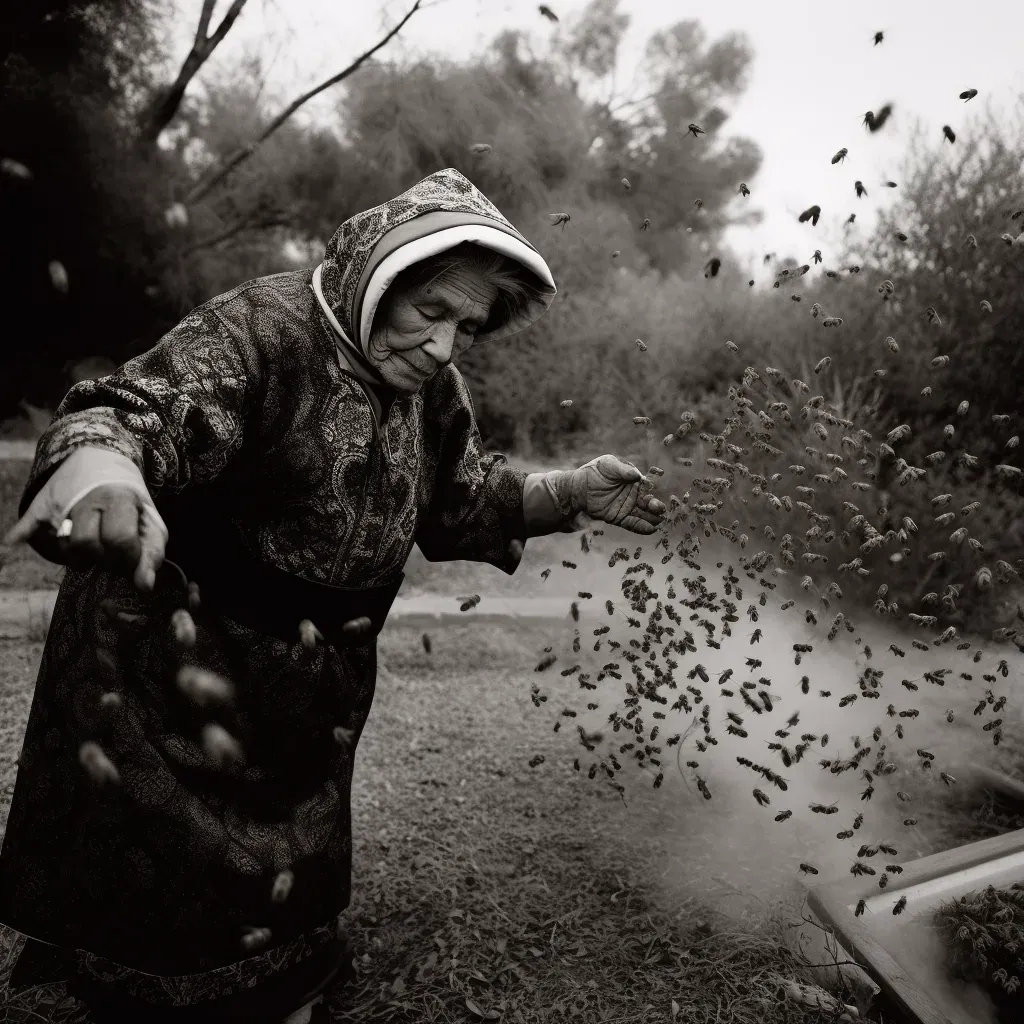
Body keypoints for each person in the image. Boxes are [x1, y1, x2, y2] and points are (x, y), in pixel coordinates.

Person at [0, 168, 667, 1022]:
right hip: (178, 663)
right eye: (431, 312)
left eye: (468, 326)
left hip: (309, 691)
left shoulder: (434, 393)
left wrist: (568, 493)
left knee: (283, 877)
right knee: (165, 880)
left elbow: (461, 501)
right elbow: (132, 411)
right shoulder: (262, 330)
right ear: (377, 277)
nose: (444, 347)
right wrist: (102, 468)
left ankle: (280, 986)